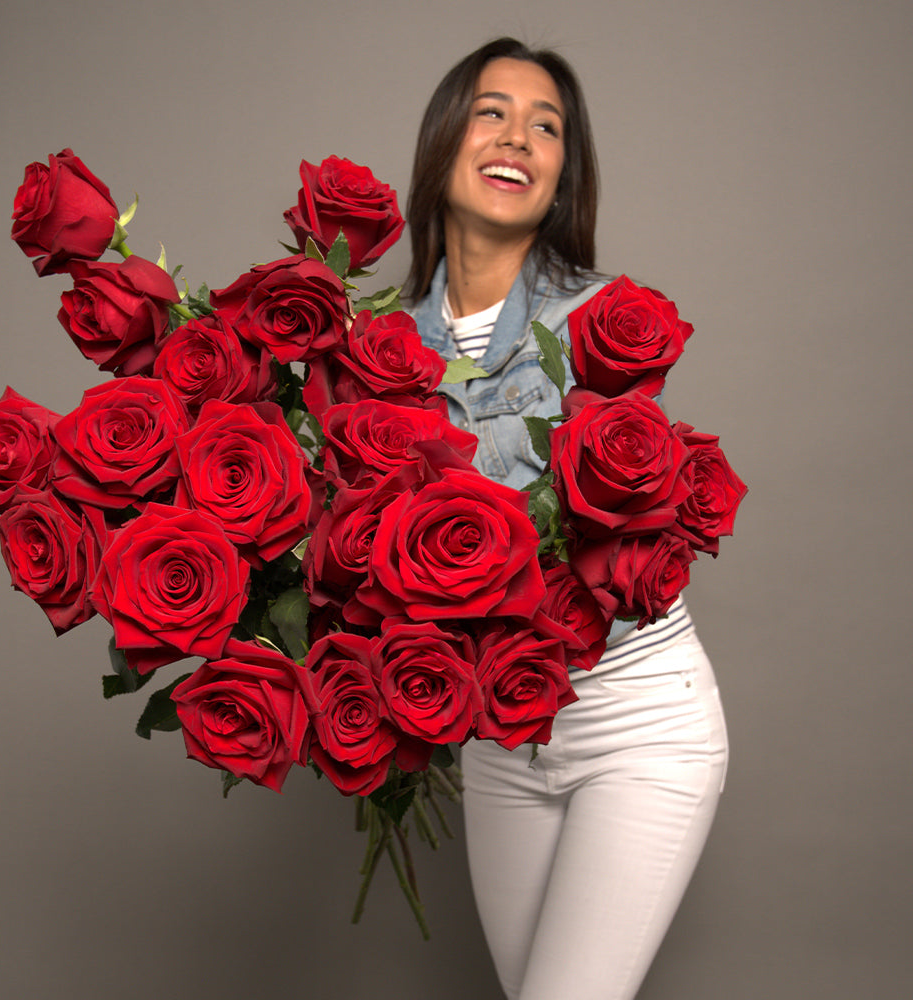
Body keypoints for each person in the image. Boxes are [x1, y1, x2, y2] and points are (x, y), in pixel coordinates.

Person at [407, 38, 729, 1000]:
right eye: (491, 111)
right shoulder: (379, 344)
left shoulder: (604, 321)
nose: (517, 138)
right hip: (500, 736)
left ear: (561, 176)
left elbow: (636, 538)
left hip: (638, 721)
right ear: (443, 143)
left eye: (546, 126)